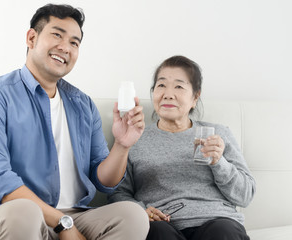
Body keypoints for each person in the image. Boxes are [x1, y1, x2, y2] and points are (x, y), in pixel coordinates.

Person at [0, 4, 149, 240]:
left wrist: (122, 145)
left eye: (74, 42)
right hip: (11, 216)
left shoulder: (83, 104)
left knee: (134, 216)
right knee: (25, 212)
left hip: (74, 214)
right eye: (57, 35)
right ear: (32, 38)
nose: (65, 47)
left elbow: (105, 182)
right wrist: (64, 225)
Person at [108, 55, 256, 240]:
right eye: (161, 85)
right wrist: (141, 211)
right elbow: (117, 193)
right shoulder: (134, 137)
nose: (168, 94)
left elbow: (245, 196)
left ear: (195, 97)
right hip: (162, 225)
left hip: (217, 221)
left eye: (179, 86)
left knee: (223, 232)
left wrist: (219, 163)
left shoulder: (219, 134)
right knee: (156, 233)